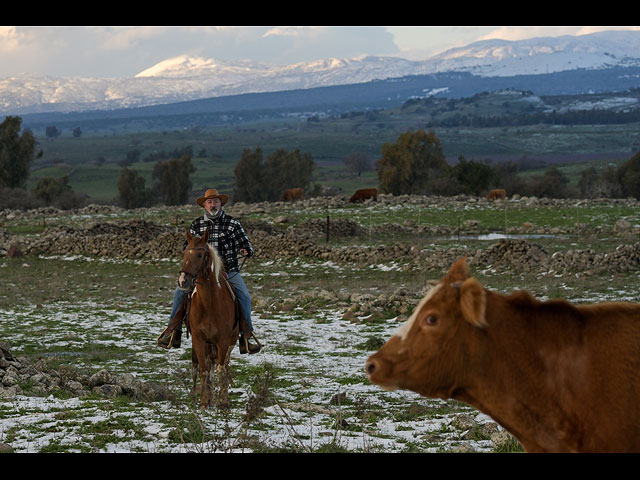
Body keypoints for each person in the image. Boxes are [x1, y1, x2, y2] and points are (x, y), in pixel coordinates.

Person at [157, 188, 261, 354]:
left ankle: (246, 335)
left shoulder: (232, 223)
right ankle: (173, 331)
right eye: (210, 202)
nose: (213, 205)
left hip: (228, 271)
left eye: (216, 201)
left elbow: (247, 245)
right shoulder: (196, 225)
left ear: (221, 203)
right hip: (201, 273)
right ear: (204, 205)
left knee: (245, 297)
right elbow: (187, 247)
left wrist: (245, 250)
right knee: (179, 293)